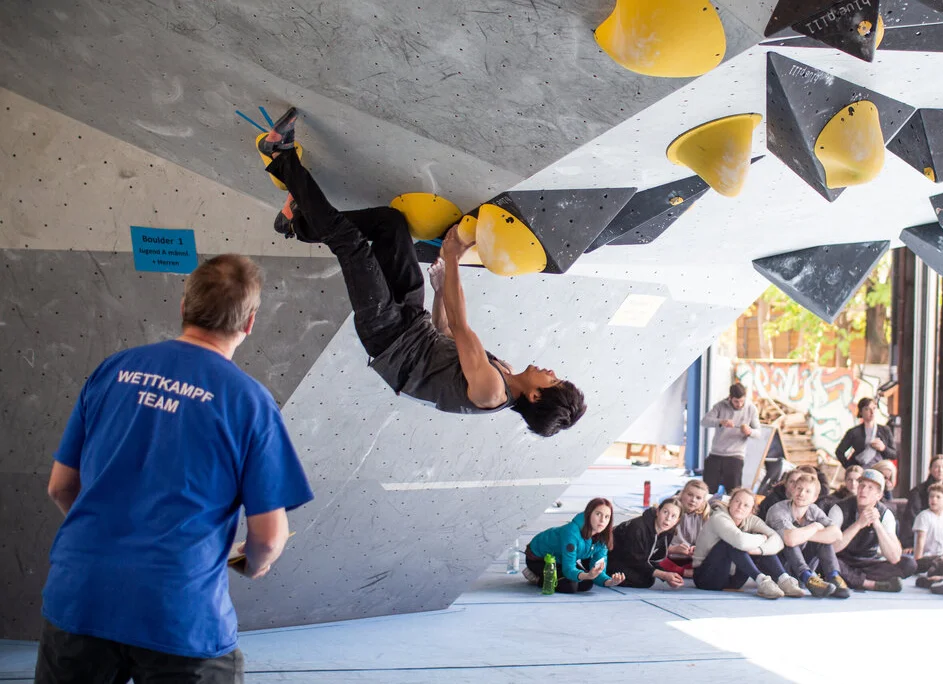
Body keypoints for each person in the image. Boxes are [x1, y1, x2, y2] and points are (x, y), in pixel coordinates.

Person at [35, 255, 314, 683]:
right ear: (250, 323)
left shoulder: (112, 371)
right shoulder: (249, 403)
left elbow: (60, 487)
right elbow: (269, 537)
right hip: (178, 614)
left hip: (80, 597)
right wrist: (254, 563)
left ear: (184, 308)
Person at [257, 108, 584, 437]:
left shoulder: (491, 391)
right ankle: (300, 225)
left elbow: (460, 324)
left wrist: (454, 257)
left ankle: (281, 156)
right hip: (413, 322)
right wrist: (441, 290)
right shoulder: (505, 371)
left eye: (553, 379)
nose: (551, 371)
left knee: (353, 245)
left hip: (386, 335)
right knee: (390, 225)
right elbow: (445, 331)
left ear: (536, 395)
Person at [691, 489, 803, 599]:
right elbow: (740, 541)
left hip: (733, 581)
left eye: (746, 505)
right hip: (706, 578)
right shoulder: (718, 517)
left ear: (751, 510)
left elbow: (778, 541)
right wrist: (761, 538)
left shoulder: (752, 520)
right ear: (730, 503)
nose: (740, 507)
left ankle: (784, 580)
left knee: (762, 548)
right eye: (737, 502)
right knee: (730, 543)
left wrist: (759, 550)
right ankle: (762, 581)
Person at [827, 469, 917, 592]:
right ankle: (869, 584)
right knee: (825, 560)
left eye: (870, 488)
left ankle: (850, 579)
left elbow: (895, 557)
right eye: (862, 485)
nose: (863, 490)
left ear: (879, 495)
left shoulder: (885, 514)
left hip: (868, 562)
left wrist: (877, 524)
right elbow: (832, 548)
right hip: (842, 560)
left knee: (909, 564)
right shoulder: (839, 509)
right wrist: (859, 524)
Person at [765, 472, 851, 598]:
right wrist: (815, 527)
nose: (801, 494)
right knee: (791, 538)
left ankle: (834, 577)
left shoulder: (813, 510)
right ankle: (808, 578)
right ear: (793, 490)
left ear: (815, 497)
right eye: (799, 488)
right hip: (780, 569)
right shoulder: (778, 509)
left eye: (807, 491)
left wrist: (803, 534)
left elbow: (837, 534)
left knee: (822, 540)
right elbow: (790, 540)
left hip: (803, 566)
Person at [524, 498, 625, 593]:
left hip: (561, 559)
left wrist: (611, 582)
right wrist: (588, 574)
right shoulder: (571, 532)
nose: (602, 520)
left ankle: (550, 576)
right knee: (569, 586)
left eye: (607, 516)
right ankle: (536, 577)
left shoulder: (603, 538)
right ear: (589, 514)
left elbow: (599, 571)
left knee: (587, 584)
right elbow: (568, 569)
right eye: (598, 514)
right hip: (539, 558)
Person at [699, 383, 761, 495]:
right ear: (730, 398)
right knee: (707, 490)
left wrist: (749, 431)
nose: (739, 404)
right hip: (716, 453)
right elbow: (704, 422)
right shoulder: (720, 406)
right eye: (736, 401)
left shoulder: (751, 409)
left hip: (735, 455)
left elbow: (758, 433)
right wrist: (721, 422)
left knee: (733, 492)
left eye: (742, 401)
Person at [608, 499, 684, 589]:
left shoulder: (668, 532)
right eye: (665, 512)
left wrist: (669, 577)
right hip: (611, 558)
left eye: (673, 516)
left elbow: (651, 559)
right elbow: (635, 559)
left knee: (648, 578)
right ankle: (603, 575)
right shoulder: (638, 527)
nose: (668, 518)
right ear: (658, 511)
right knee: (645, 580)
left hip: (629, 560)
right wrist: (663, 575)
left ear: (677, 520)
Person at [899, 454, 943, 548]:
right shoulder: (918, 491)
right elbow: (911, 516)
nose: (940, 470)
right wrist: (909, 544)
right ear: (930, 469)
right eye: (936, 467)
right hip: (923, 534)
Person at [662, 480, 711, 577]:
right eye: (690, 495)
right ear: (682, 493)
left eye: (698, 498)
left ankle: (687, 571)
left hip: (692, 559)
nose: (693, 500)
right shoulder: (670, 511)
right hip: (669, 557)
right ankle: (683, 572)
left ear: (703, 501)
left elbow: (708, 543)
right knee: (653, 557)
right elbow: (653, 545)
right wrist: (673, 549)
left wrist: (697, 549)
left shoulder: (705, 517)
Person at [913, 483, 943, 573]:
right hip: (926, 557)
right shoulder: (924, 516)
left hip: (942, 555)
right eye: (931, 496)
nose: (934, 499)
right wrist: (917, 563)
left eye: (938, 497)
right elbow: (920, 540)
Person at [835, 398, 896, 470]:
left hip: (879, 472)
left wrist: (883, 448)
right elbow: (839, 452)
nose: (872, 412)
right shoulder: (853, 432)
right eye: (867, 409)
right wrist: (850, 467)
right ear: (861, 412)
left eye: (874, 408)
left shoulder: (885, 430)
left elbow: (894, 454)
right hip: (861, 472)